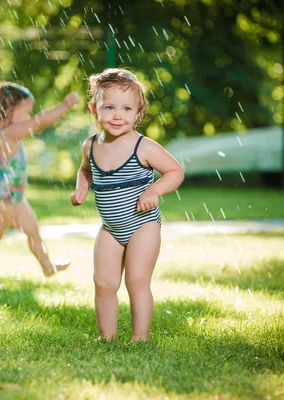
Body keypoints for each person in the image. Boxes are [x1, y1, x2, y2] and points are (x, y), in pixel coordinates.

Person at [70, 68, 184, 342]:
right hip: (110, 228)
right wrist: (82, 186)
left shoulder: (143, 147)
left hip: (142, 224)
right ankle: (107, 336)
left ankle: (139, 337)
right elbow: (85, 169)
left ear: (138, 112)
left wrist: (154, 190)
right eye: (108, 107)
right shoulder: (91, 145)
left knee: (136, 281)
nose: (117, 115)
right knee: (104, 283)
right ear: (94, 110)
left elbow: (175, 171)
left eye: (126, 108)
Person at [0, 82, 80, 279]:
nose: (29, 117)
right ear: (9, 109)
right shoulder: (10, 133)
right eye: (26, 111)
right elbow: (40, 122)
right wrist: (66, 104)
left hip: (12, 197)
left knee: (33, 231)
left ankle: (47, 266)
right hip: (3, 198)